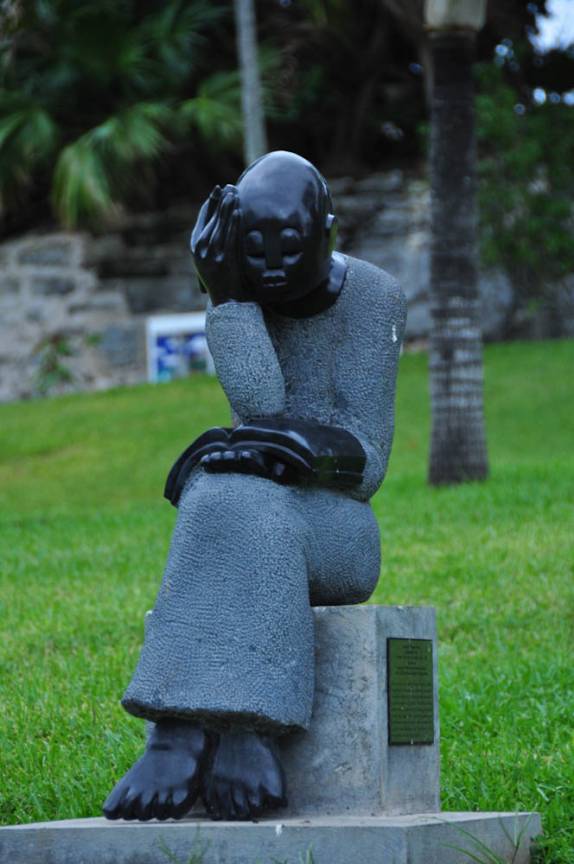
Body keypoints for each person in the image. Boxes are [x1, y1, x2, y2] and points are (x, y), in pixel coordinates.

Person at [103, 151, 406, 822]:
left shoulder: (372, 297)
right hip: (256, 514)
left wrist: (292, 448)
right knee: (222, 492)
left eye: (289, 246)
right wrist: (229, 300)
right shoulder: (248, 295)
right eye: (253, 248)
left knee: (233, 495)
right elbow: (260, 402)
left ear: (327, 232)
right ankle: (220, 736)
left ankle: (203, 732)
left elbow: (368, 461)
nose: (269, 263)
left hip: (339, 532)